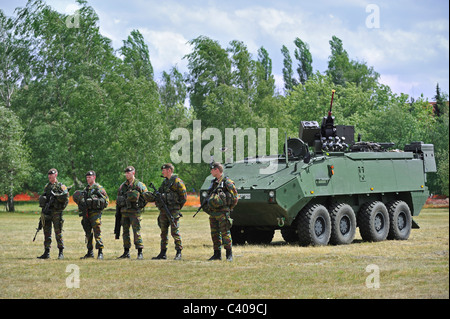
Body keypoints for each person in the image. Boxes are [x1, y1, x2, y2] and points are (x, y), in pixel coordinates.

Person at [150, 163, 187, 260]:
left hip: (173, 211)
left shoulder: (177, 182)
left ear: (169, 170)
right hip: (163, 211)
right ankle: (163, 253)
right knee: (163, 232)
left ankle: (178, 252)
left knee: (175, 232)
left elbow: (183, 197)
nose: (162, 172)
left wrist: (177, 208)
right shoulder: (165, 183)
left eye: (164, 170)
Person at [203, 162, 238, 261]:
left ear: (217, 170)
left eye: (212, 169)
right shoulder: (213, 182)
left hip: (223, 212)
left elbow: (235, 197)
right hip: (213, 212)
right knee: (214, 233)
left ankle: (229, 254)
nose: (211, 171)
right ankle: (217, 254)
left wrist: (229, 208)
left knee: (225, 233)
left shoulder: (227, 182)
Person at [73, 171, 109, 260]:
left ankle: (100, 252)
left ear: (94, 177)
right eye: (87, 177)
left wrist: (96, 202)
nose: (88, 178)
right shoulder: (86, 189)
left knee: (97, 231)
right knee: (88, 233)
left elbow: (106, 201)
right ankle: (90, 252)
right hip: (86, 213)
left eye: (90, 176)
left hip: (95, 213)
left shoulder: (98, 188)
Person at [116, 166, 148, 259]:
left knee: (136, 232)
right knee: (125, 232)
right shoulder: (122, 186)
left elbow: (147, 197)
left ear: (133, 173)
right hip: (124, 212)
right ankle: (126, 252)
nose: (127, 174)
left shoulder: (139, 185)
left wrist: (140, 206)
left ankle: (140, 252)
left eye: (129, 173)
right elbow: (119, 198)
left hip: (134, 212)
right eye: (126, 173)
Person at [37, 169, 69, 259]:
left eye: (52, 174)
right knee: (47, 232)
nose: (50, 176)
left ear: (56, 175)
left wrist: (60, 206)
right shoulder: (47, 186)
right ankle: (46, 252)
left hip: (57, 212)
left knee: (58, 232)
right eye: (49, 175)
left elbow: (66, 198)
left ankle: (61, 252)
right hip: (47, 212)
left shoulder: (61, 186)